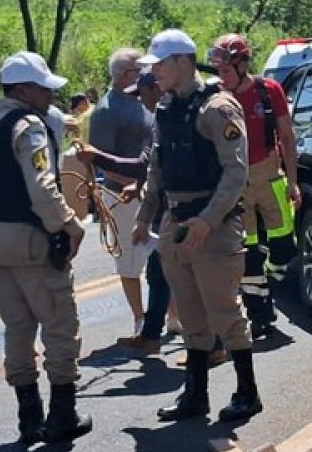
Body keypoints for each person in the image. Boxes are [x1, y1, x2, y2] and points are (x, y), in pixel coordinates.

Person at [131, 29, 262, 421]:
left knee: (224, 311)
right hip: (177, 221)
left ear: (182, 62)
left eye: (160, 64)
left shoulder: (218, 109)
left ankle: (247, 391)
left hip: (215, 225)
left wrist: (208, 220)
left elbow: (235, 173)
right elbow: (156, 168)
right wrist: (143, 217)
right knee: (190, 314)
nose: (154, 73)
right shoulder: (167, 109)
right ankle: (196, 395)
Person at [0, 51, 92, 443]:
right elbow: (43, 187)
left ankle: (28, 417)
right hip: (33, 239)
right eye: (43, 89)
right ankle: (62, 416)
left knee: (17, 328)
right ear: (23, 89)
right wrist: (68, 224)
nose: (50, 97)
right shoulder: (28, 127)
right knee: (59, 326)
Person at [207, 34, 301, 339]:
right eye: (218, 71)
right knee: (246, 255)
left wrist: (293, 183)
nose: (221, 77)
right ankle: (260, 316)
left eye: (226, 70)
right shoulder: (216, 99)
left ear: (242, 64)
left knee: (284, 247)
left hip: (270, 175)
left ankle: (272, 281)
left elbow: (287, 137)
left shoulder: (268, 91)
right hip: (235, 184)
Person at [88, 48, 155, 344]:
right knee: (129, 259)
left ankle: (174, 316)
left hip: (153, 190)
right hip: (123, 195)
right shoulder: (106, 110)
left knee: (165, 257)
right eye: (136, 69)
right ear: (120, 75)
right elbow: (100, 160)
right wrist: (134, 184)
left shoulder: (148, 99)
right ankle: (141, 320)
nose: (143, 73)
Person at [59, 92, 95, 220]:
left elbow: (75, 126)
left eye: (77, 105)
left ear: (84, 102)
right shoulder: (87, 113)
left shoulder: (88, 115)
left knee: (90, 182)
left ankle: (95, 205)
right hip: (87, 154)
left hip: (89, 155)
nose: (76, 109)